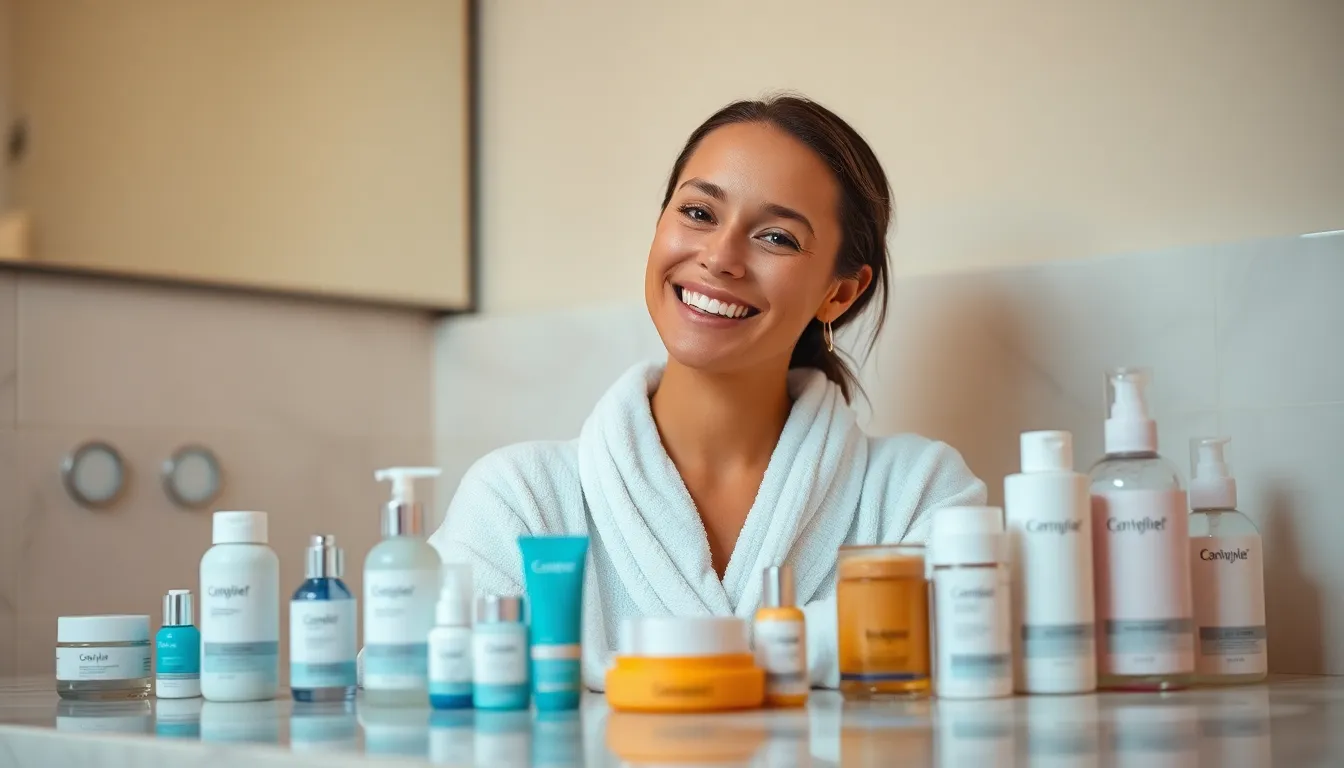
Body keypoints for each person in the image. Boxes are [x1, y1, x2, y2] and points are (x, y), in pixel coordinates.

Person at [430, 94, 986, 690]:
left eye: (776, 237)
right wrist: (823, 643)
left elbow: (974, 642)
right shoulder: (521, 501)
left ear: (840, 294)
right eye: (698, 213)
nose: (720, 258)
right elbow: (418, 684)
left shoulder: (914, 495)